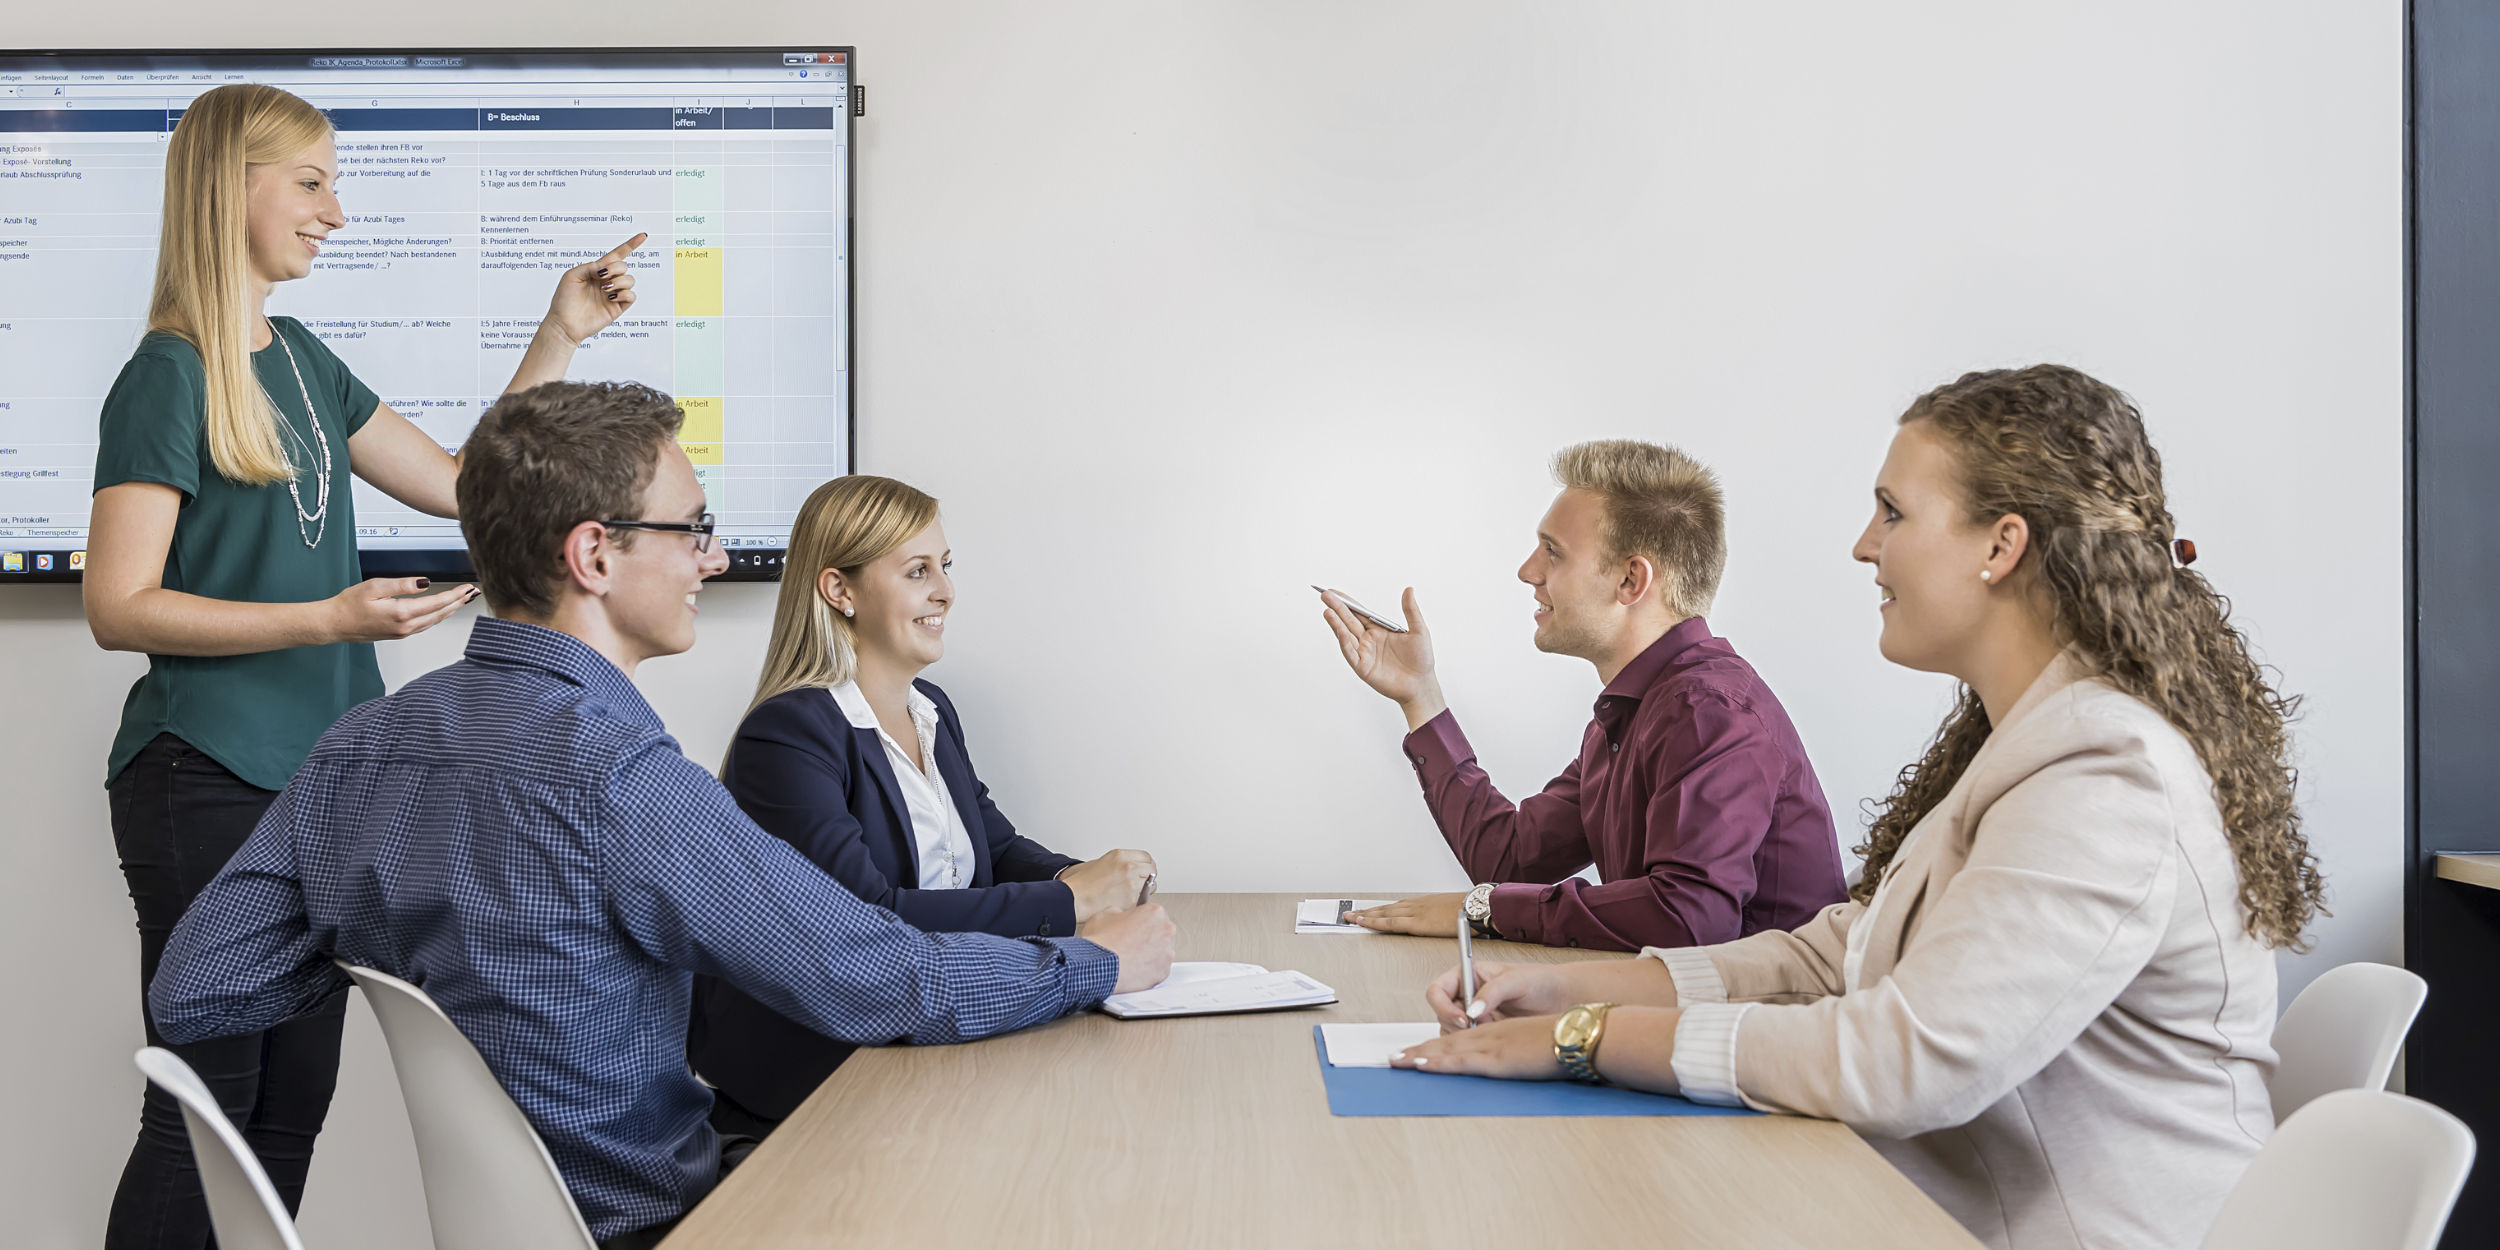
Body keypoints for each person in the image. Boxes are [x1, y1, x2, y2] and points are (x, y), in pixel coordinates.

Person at [142, 381, 1178, 1249]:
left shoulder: (359, 748)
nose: (711, 560)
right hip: (666, 1223)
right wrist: (1098, 963)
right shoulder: (621, 778)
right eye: (694, 530)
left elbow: (196, 989)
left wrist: (405, 937)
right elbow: (875, 974)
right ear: (594, 554)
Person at [1393, 366, 2325, 1250]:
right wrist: (1575, 989)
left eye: (1893, 513)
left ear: (2002, 545)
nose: (1863, 545)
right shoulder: (2029, 741)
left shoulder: (2103, 772)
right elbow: (1836, 950)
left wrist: (1583, 1038)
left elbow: (1899, 1061)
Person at [81, 82, 647, 1249]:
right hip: (206, 773)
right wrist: (327, 619)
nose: (337, 211)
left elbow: (461, 483)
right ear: (229, 187)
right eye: (312, 182)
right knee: (205, 1106)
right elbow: (115, 603)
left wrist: (561, 338)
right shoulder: (166, 375)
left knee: (290, 1112)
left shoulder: (302, 360)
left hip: (324, 787)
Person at [688, 475, 1158, 1132]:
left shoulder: (932, 710)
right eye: (917, 570)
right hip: (827, 1083)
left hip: (933, 1041)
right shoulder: (788, 733)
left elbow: (991, 849)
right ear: (839, 590)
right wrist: (1072, 900)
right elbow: (869, 916)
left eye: (944, 566)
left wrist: (1088, 877)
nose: (945, 590)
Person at [1316, 439, 1845, 952]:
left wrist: (1489, 910)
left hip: (1755, 1030)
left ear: (1631, 580)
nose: (1529, 572)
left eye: (1553, 552)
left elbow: (1689, 920)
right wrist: (1420, 697)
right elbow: (1510, 860)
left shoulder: (1707, 711)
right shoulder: (1635, 710)